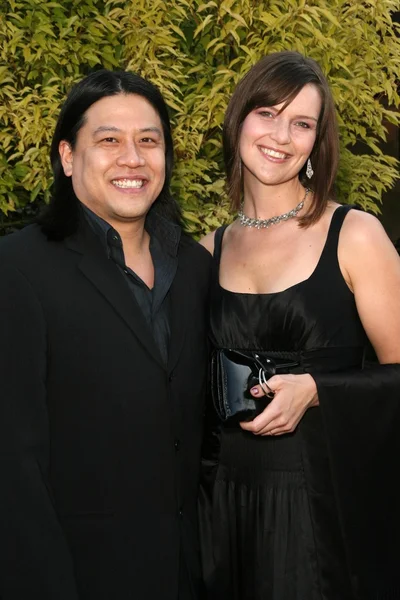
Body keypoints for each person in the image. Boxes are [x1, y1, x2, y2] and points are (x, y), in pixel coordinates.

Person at [0, 70, 211, 600]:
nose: (132, 158)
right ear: (68, 157)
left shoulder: (195, 268)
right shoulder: (18, 270)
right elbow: (13, 467)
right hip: (78, 576)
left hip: (191, 574)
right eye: (109, 140)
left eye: (148, 140)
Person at [199, 51, 400, 600]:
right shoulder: (205, 251)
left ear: (317, 142)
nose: (281, 135)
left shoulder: (355, 234)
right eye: (267, 112)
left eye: (302, 123)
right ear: (240, 118)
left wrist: (318, 391)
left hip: (323, 512)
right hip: (223, 510)